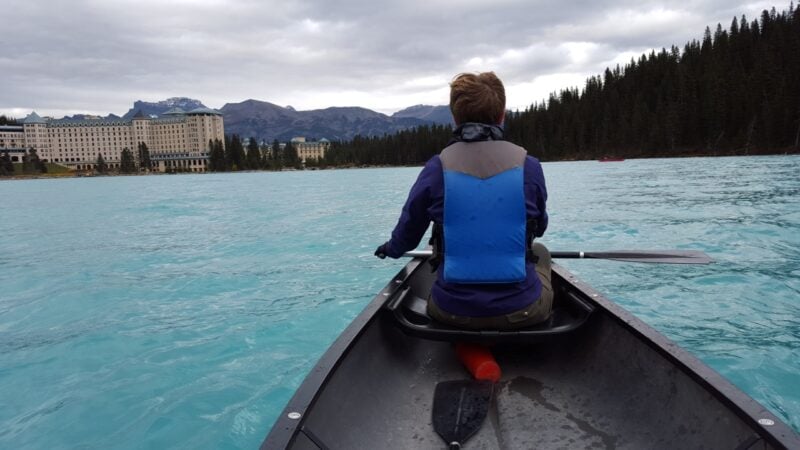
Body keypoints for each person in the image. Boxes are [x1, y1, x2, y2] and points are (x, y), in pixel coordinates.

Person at [375, 72, 552, 330]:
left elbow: (408, 235)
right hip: (524, 312)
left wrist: (390, 248)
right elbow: (540, 226)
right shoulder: (530, 166)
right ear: (502, 114)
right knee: (541, 252)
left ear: (455, 118)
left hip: (451, 312)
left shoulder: (436, 168)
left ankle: (468, 341)